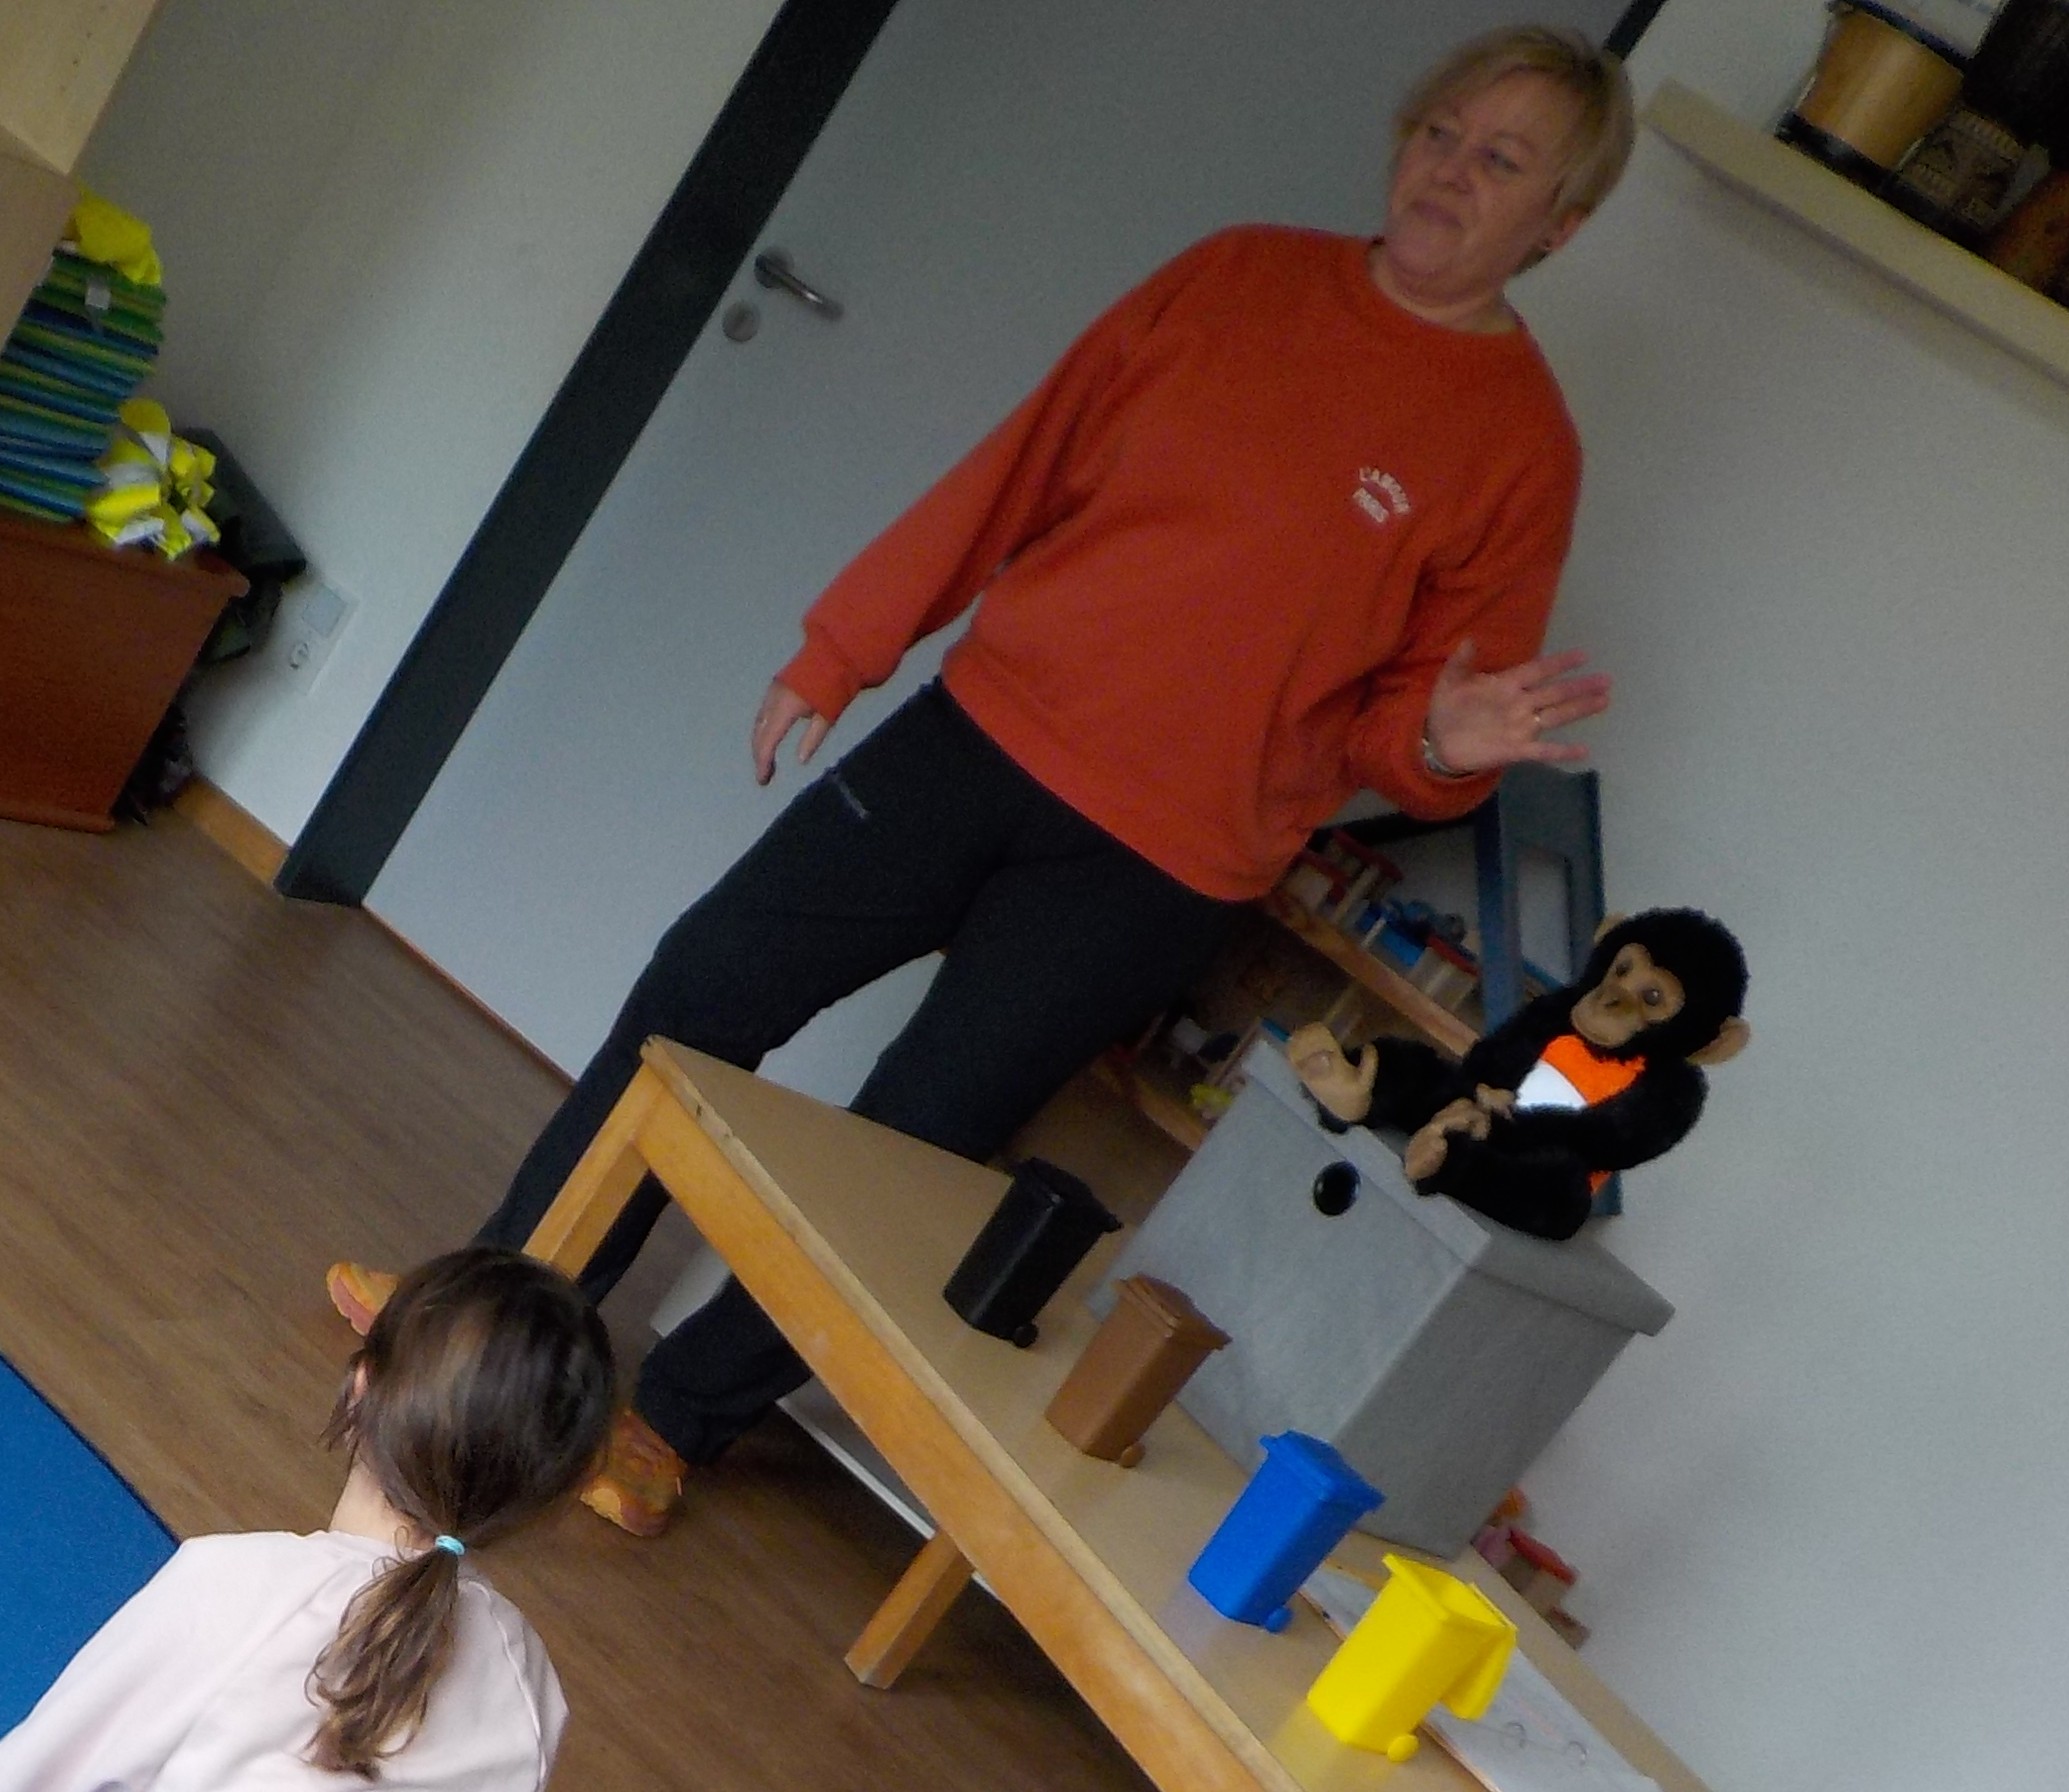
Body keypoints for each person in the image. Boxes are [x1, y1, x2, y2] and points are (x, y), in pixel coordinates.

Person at [328, 24, 1636, 1536]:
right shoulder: (1238, 277)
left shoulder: (1519, 450)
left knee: (902, 1150)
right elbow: (1025, 463)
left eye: (1500, 161)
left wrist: (1440, 746)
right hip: (977, 736)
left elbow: (1404, 736)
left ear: (1558, 224)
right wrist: (846, 644)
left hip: (1157, 866)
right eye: (1439, 132)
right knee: (702, 987)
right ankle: (479, 1333)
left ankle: (675, 1422)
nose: (1448, 172)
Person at [0, 1249, 614, 1790]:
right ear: (556, 1492)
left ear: (361, 1386)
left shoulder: (238, 1585)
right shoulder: (528, 1688)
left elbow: (38, 1771)